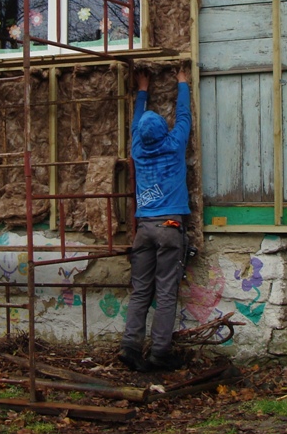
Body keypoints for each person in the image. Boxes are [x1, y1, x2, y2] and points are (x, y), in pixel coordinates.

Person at [118, 66, 191, 372]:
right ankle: (159, 352)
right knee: (164, 292)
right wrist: (182, 84)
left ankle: (131, 346)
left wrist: (142, 89)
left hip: (144, 229)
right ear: (164, 129)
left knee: (141, 290)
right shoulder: (174, 147)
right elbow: (184, 118)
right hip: (169, 227)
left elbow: (136, 124)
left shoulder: (137, 150)